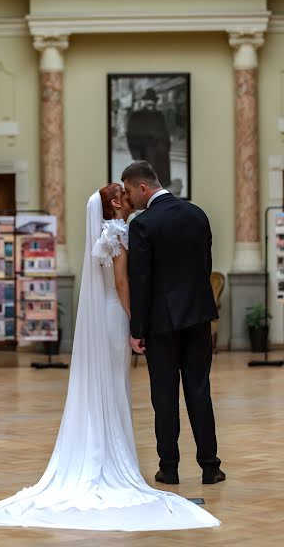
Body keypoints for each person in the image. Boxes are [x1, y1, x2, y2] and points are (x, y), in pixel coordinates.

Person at [0, 183, 220, 531]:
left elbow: (131, 278)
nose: (130, 198)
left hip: (124, 316)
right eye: (124, 195)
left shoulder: (118, 231)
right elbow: (127, 283)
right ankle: (203, 464)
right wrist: (134, 322)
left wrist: (139, 323)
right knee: (185, 390)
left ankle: (163, 465)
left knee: (155, 393)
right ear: (114, 203)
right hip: (149, 314)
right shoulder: (136, 228)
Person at [122, 160, 225, 486]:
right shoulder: (197, 214)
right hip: (197, 318)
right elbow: (205, 265)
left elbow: (141, 281)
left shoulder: (143, 224)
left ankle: (170, 468)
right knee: (199, 390)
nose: (129, 199)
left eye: (129, 191)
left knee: (164, 396)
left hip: (162, 323)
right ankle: (211, 467)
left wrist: (137, 330)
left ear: (142, 187)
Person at [126, 87, 171, 187]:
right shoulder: (136, 116)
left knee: (160, 185)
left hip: (161, 155)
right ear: (144, 101)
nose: (150, 103)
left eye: (152, 100)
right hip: (144, 153)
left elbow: (165, 133)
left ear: (155, 102)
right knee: (145, 184)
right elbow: (131, 136)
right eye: (148, 100)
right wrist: (135, 155)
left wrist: (166, 147)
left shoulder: (160, 115)